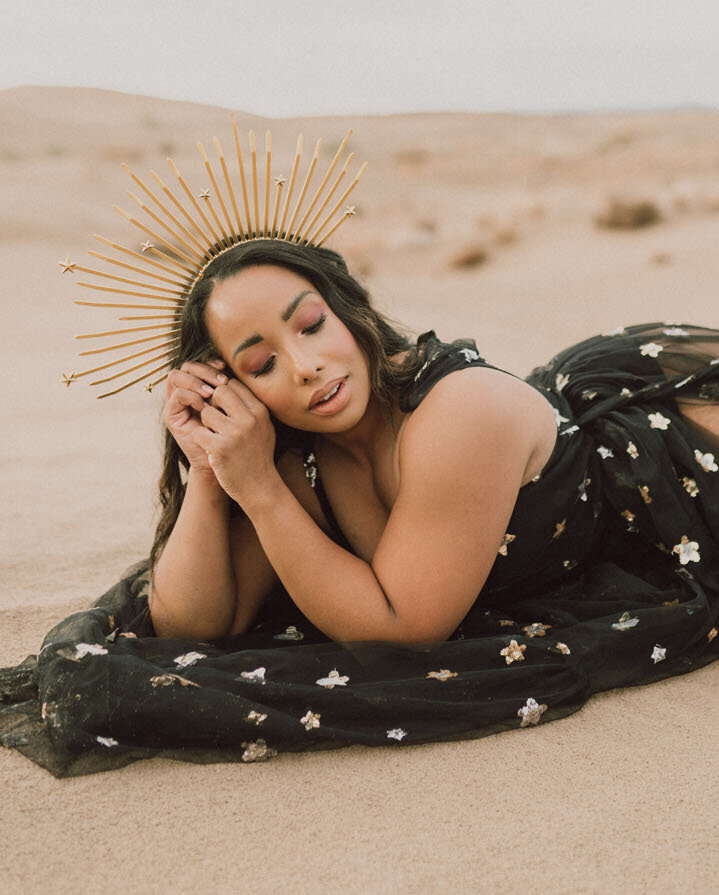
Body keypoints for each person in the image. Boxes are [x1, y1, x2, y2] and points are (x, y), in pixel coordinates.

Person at [2, 127, 718, 778]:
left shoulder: (459, 411)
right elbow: (190, 624)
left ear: (346, 308)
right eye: (259, 365)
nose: (305, 364)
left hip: (673, 479)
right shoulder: (295, 454)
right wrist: (216, 468)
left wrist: (260, 489)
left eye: (310, 325)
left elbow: (401, 629)